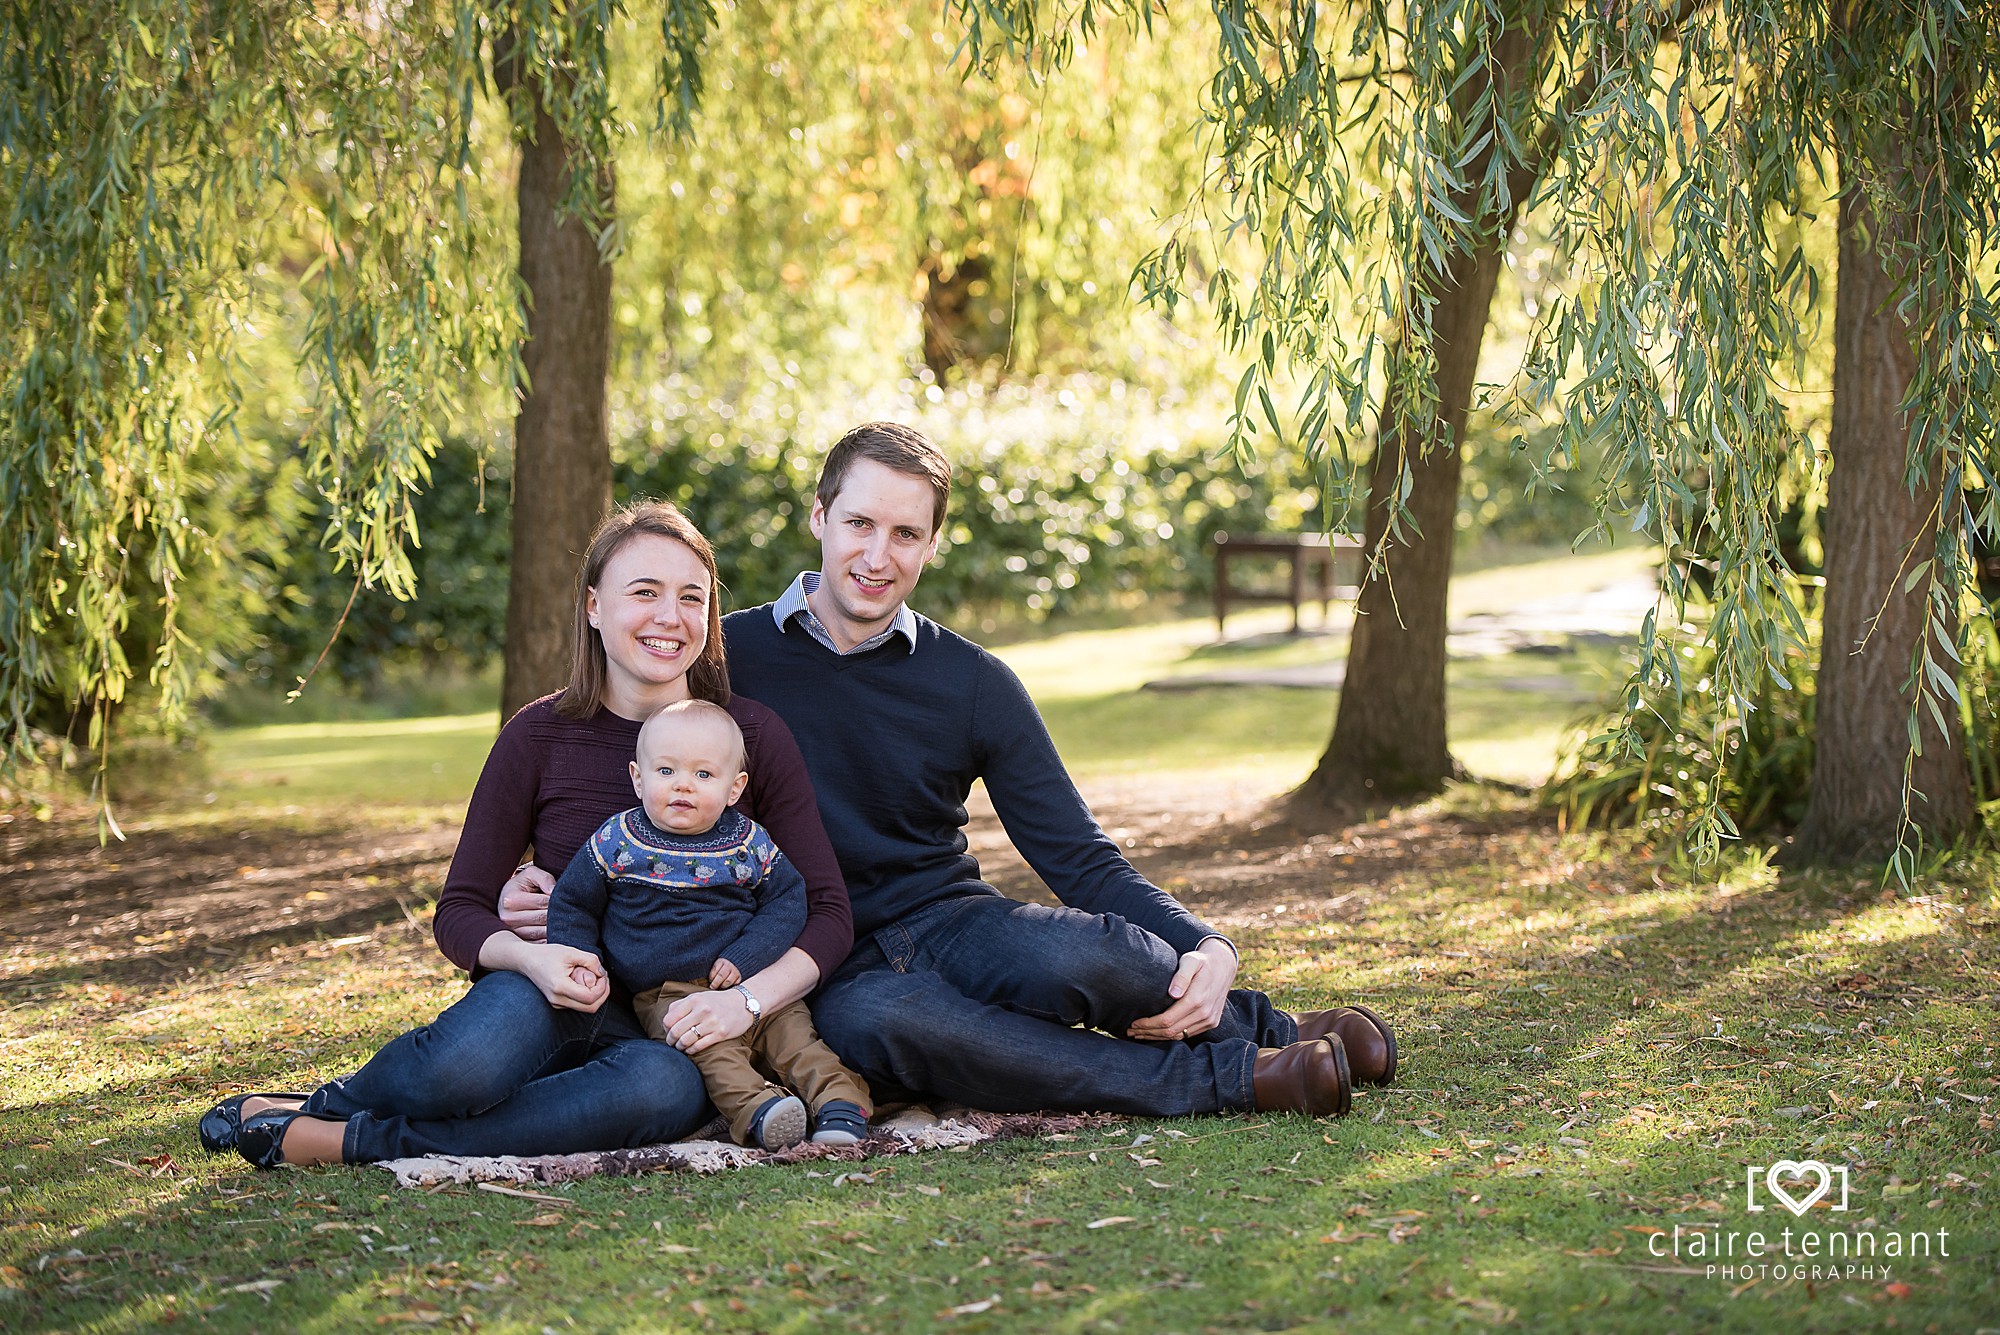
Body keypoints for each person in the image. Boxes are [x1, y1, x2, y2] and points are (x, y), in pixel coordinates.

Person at [721, 422, 1399, 1120]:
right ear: (819, 515)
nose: (875, 554)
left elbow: (1077, 854)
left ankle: (1269, 1031)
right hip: (825, 965)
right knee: (890, 1023)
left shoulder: (973, 680)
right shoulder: (727, 657)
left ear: (930, 544)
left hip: (951, 919)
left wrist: (1206, 942)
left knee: (1091, 956)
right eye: (858, 522)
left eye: (904, 533)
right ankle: (1244, 1074)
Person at [200, 502, 853, 1169]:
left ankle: (351, 1140)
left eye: (692, 597)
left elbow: (827, 911)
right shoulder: (538, 734)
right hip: (550, 987)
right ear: (594, 606)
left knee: (660, 1091)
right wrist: (529, 956)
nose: (670, 616)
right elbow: (459, 911)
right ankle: (329, 1103)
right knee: (460, 1066)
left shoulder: (751, 737)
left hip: (680, 1028)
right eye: (645, 592)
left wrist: (744, 1002)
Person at [546, 699, 872, 1149]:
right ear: (638, 778)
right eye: (666, 772)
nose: (683, 785)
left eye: (703, 775)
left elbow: (788, 901)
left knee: (797, 1042)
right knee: (710, 1053)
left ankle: (841, 1105)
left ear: (734, 788)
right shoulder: (616, 841)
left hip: (753, 982)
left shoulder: (748, 842)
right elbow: (572, 904)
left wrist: (748, 956)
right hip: (668, 994)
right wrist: (580, 959)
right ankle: (759, 1112)